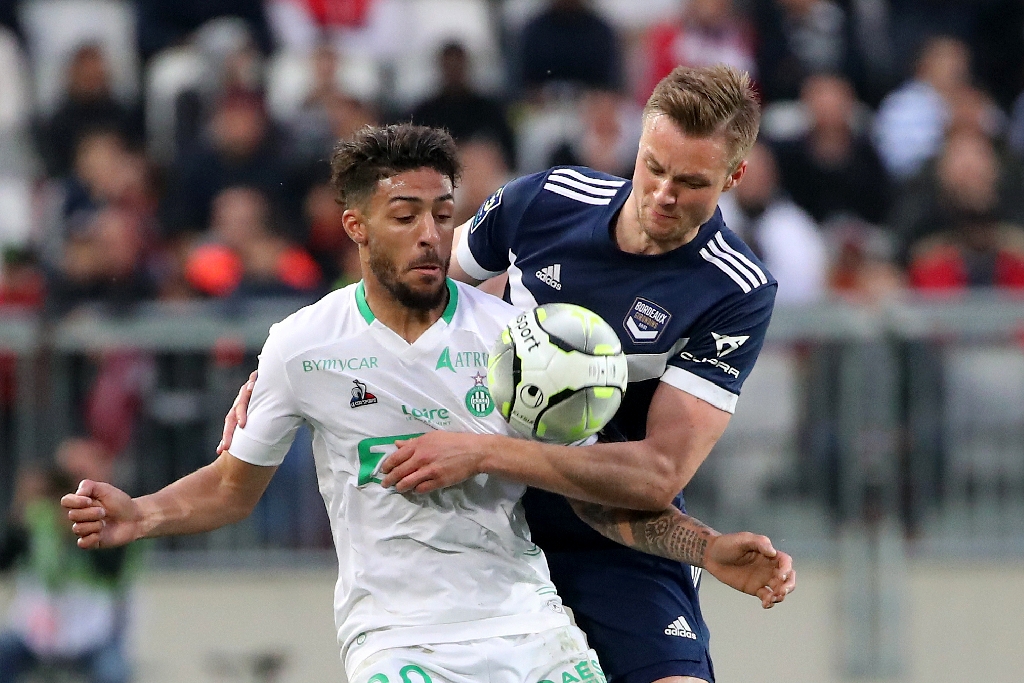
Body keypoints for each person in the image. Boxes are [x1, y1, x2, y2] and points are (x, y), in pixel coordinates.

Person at [66, 124, 795, 683]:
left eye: (443, 215)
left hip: (529, 630)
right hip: (399, 640)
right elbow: (232, 489)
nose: (429, 236)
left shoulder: (516, 345)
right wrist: (144, 512)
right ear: (356, 226)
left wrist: (708, 548)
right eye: (405, 215)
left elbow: (597, 499)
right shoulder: (302, 345)